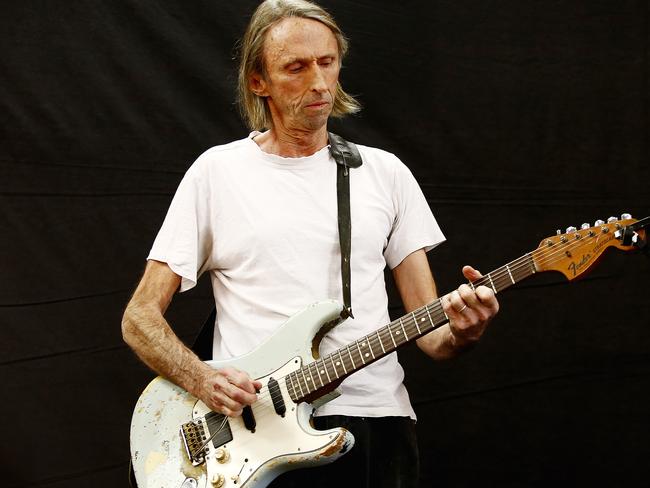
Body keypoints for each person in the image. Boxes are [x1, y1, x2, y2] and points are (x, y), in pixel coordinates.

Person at [121, 1, 500, 487]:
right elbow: (139, 318)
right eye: (296, 67)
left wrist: (465, 331)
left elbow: (432, 334)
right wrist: (202, 380)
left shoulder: (385, 174)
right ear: (258, 81)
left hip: (376, 423)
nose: (319, 82)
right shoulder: (217, 173)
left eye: (327, 62)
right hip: (252, 439)